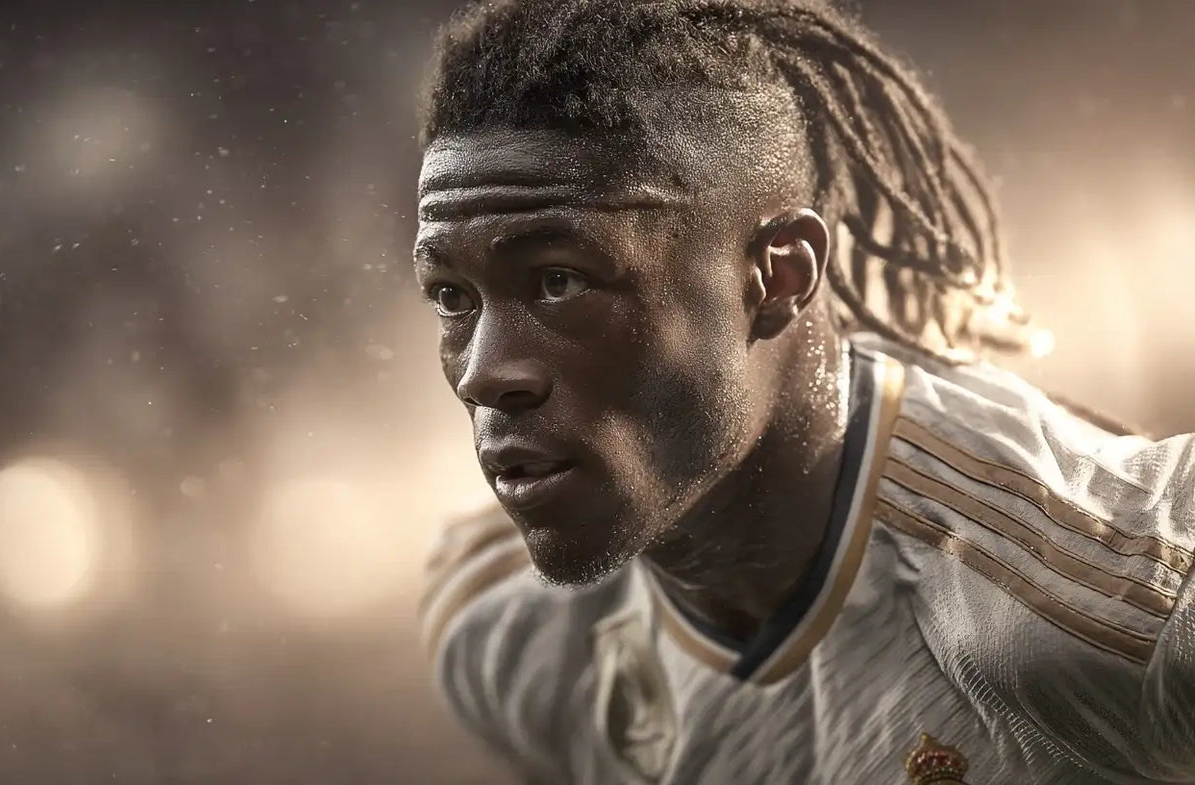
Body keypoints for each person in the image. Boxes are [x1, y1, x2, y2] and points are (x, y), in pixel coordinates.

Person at [410, 1, 1195, 783]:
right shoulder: (503, 624)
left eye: (558, 281)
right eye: (452, 296)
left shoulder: (1106, 591)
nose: (483, 373)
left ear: (779, 275)